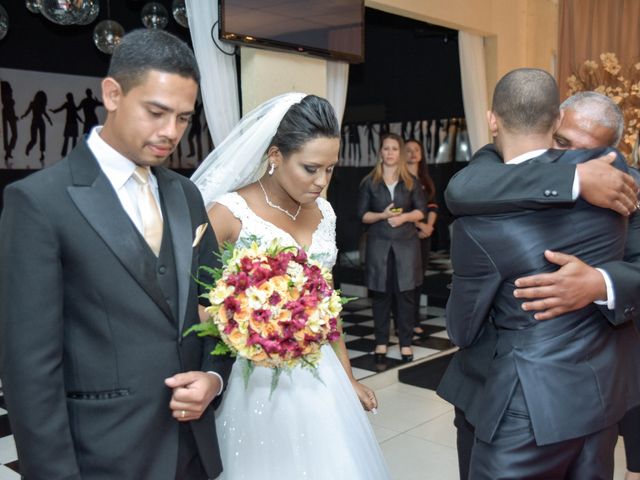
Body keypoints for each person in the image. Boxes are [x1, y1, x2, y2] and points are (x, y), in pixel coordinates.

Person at [0, 29, 233, 480]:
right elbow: (29, 369)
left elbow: (222, 305)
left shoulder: (186, 195)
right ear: (112, 94)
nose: (171, 132)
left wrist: (214, 377)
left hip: (192, 450)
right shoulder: (39, 201)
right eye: (156, 112)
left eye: (184, 118)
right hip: (102, 455)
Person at [445, 68, 639, 478]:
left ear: (613, 156)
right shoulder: (498, 171)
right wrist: (573, 177)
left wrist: (600, 283)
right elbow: (462, 188)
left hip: (594, 387)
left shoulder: (626, 191)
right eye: (563, 143)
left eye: (586, 153)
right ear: (555, 124)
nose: (568, 156)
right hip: (490, 383)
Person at [191, 92, 391, 479]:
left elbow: (328, 306)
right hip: (253, 382)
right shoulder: (228, 213)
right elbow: (190, 305)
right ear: (276, 155)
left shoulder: (326, 214)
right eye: (311, 168)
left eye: (330, 169)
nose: (321, 182)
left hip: (321, 378)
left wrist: (348, 378)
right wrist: (240, 319)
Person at [357, 133, 427, 364]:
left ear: (400, 153)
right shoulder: (369, 182)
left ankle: (405, 343)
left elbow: (421, 211)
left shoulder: (411, 182)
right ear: (380, 152)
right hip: (378, 246)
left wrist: (404, 217)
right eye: (386, 148)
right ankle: (381, 342)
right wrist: (382, 215)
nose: (390, 152)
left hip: (407, 246)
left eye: (394, 149)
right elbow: (363, 216)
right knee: (381, 296)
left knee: (406, 296)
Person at [405, 138, 438, 335]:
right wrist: (418, 224)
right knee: (406, 280)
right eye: (408, 150)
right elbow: (402, 211)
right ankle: (404, 321)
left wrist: (429, 226)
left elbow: (432, 205)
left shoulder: (425, 178)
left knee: (419, 279)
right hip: (407, 235)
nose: (413, 153)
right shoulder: (401, 179)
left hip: (424, 235)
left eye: (416, 149)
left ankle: (415, 320)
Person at [21, 90, 52, 164]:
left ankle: (41, 154)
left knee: (40, 139)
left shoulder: (38, 104)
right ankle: (28, 149)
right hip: (36, 122)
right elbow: (28, 111)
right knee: (35, 139)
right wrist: (24, 115)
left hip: (39, 122)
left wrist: (49, 120)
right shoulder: (33, 104)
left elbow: (44, 113)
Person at [50, 92, 82, 156]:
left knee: (68, 138)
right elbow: (75, 113)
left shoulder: (68, 104)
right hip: (73, 123)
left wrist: (54, 111)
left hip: (70, 123)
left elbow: (61, 109)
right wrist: (80, 119)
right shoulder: (71, 104)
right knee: (72, 139)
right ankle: (69, 153)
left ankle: (64, 153)